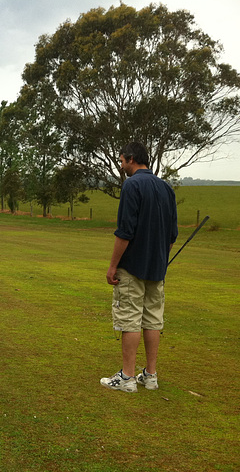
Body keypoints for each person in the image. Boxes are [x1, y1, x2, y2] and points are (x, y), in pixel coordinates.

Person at [101, 142, 178, 392]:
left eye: (122, 160)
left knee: (130, 319)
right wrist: (161, 261)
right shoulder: (166, 188)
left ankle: (127, 377)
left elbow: (125, 232)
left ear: (132, 159)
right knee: (153, 319)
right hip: (157, 268)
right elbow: (171, 235)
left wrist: (113, 266)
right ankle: (151, 375)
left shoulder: (132, 185)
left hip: (132, 266)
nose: (121, 165)